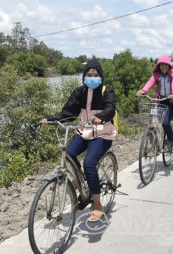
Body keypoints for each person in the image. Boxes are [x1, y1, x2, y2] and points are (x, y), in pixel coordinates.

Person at [42, 59, 116, 223]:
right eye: (89, 75)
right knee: (69, 153)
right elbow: (69, 113)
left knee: (89, 163)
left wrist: (101, 117)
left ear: (101, 76)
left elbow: (111, 108)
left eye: (96, 75)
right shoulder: (79, 92)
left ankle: (97, 205)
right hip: (84, 132)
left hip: (102, 134)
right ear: (84, 76)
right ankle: (81, 178)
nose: (92, 77)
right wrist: (52, 119)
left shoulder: (106, 91)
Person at [136, 55, 173, 153]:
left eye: (166, 65)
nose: (164, 67)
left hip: (171, 101)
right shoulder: (156, 75)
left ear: (169, 65)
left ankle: (172, 142)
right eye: (161, 65)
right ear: (158, 66)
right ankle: (155, 144)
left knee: (165, 123)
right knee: (154, 121)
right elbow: (149, 83)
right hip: (159, 100)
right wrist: (143, 91)